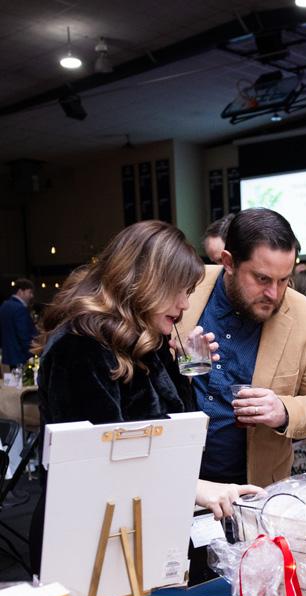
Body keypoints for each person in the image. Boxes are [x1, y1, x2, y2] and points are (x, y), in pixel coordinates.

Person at [30, 221, 261, 575]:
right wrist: (196, 488)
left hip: (132, 527)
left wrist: (184, 370)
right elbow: (99, 462)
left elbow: (174, 433)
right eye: (179, 291)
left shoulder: (143, 340)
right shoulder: (78, 347)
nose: (185, 304)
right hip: (86, 539)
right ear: (144, 282)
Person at [179, 207, 306, 488]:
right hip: (174, 479)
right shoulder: (184, 285)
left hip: (251, 488)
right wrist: (176, 360)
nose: (274, 294)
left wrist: (284, 410)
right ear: (229, 262)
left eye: (284, 280)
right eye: (262, 279)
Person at [0, 279, 37, 368]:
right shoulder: (20, 308)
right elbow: (23, 334)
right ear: (21, 291)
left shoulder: (4, 306)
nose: (32, 296)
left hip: (7, 356)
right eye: (30, 292)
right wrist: (32, 353)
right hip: (20, 356)